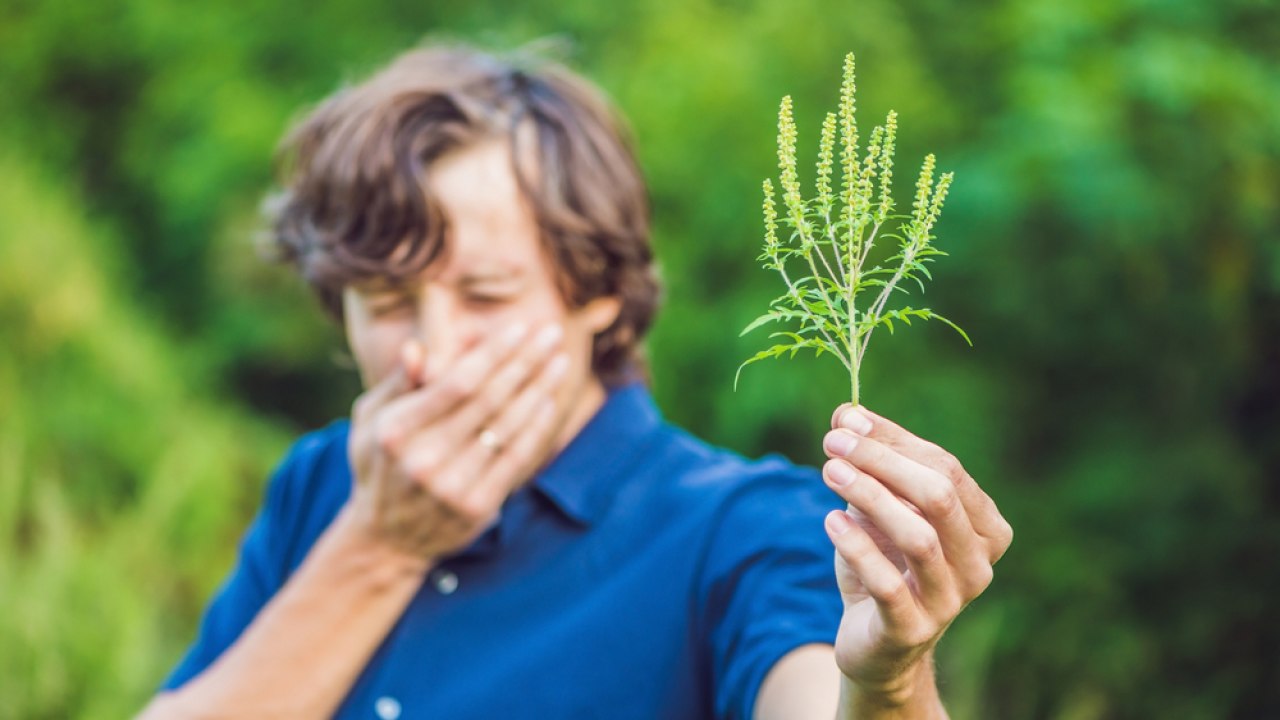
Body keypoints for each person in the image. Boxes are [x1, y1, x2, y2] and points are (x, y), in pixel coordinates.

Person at [139, 41, 1012, 720]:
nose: (431, 356)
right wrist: (379, 544)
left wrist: (889, 683)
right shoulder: (322, 486)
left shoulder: (736, 527)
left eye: (485, 294)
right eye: (387, 300)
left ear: (594, 289)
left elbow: (814, 693)